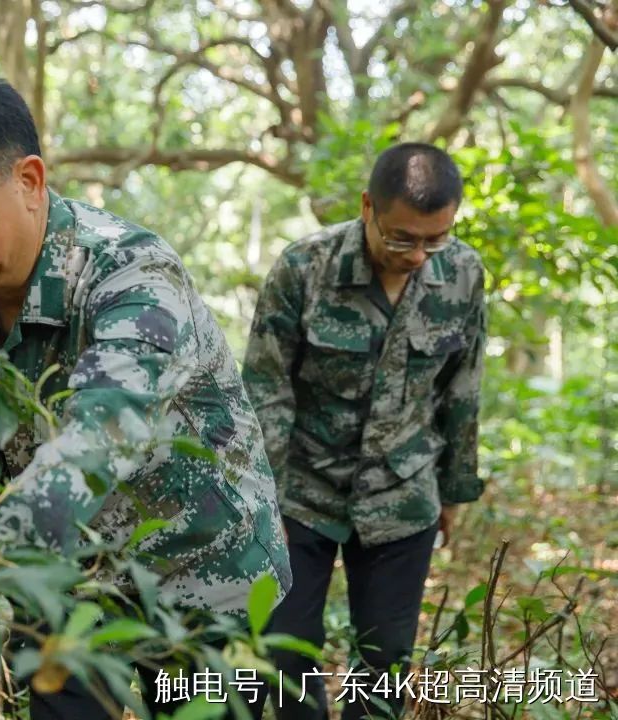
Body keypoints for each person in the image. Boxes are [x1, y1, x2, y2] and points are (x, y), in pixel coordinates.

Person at [0, 73, 292, 719]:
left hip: (201, 585)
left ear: (29, 181)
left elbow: (102, 436)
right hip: (61, 593)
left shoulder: (132, 273)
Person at [242, 143, 486, 719]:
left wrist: (454, 491)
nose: (419, 256)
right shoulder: (305, 267)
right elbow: (266, 389)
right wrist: (262, 501)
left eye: (436, 240)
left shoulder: (463, 274)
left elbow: (463, 386)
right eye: (402, 238)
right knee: (285, 652)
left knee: (385, 660)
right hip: (302, 491)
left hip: (404, 492)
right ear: (367, 207)